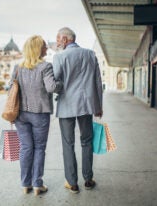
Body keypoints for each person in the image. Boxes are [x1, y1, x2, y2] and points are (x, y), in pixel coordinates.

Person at [52, 27, 103, 193]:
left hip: (66, 105)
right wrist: (98, 106)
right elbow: (97, 82)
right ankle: (88, 179)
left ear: (66, 39)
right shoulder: (90, 54)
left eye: (58, 39)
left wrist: (60, 87)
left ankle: (72, 183)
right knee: (86, 141)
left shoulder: (59, 57)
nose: (57, 42)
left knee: (68, 144)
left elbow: (56, 84)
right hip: (86, 106)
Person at [10, 35, 63, 196]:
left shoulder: (18, 68)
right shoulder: (46, 66)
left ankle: (25, 184)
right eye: (45, 46)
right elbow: (51, 87)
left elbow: (11, 89)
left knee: (26, 148)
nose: (47, 48)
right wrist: (61, 82)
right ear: (38, 49)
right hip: (39, 113)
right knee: (39, 148)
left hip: (20, 114)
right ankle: (37, 184)